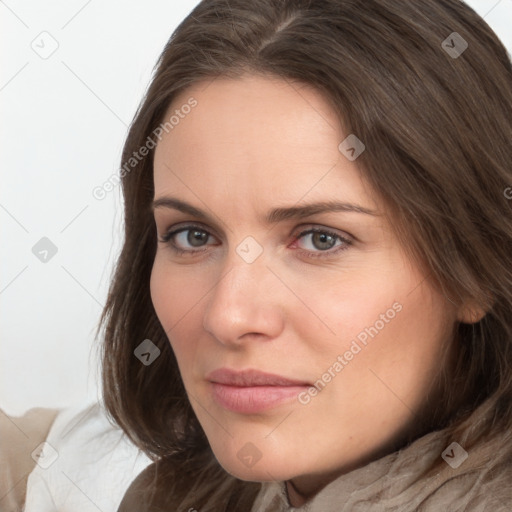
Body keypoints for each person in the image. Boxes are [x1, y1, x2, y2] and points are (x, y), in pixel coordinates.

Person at [22, 0, 512, 510]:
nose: (227, 316)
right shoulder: (169, 490)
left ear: (475, 271)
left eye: (321, 239)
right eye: (193, 235)